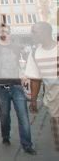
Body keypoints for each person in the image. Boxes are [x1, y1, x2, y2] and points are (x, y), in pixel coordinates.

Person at [0, 25, 35, 153]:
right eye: (2, 31)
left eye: (7, 31)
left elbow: (20, 64)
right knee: (4, 115)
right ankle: (5, 136)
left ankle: (27, 144)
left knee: (23, 115)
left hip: (16, 85)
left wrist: (24, 74)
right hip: (0, 87)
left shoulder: (16, 46)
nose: (5, 34)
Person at [26, 21, 59, 152]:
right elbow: (35, 79)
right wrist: (33, 100)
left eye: (34, 31)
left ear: (45, 32)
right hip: (53, 103)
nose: (32, 34)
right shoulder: (34, 54)